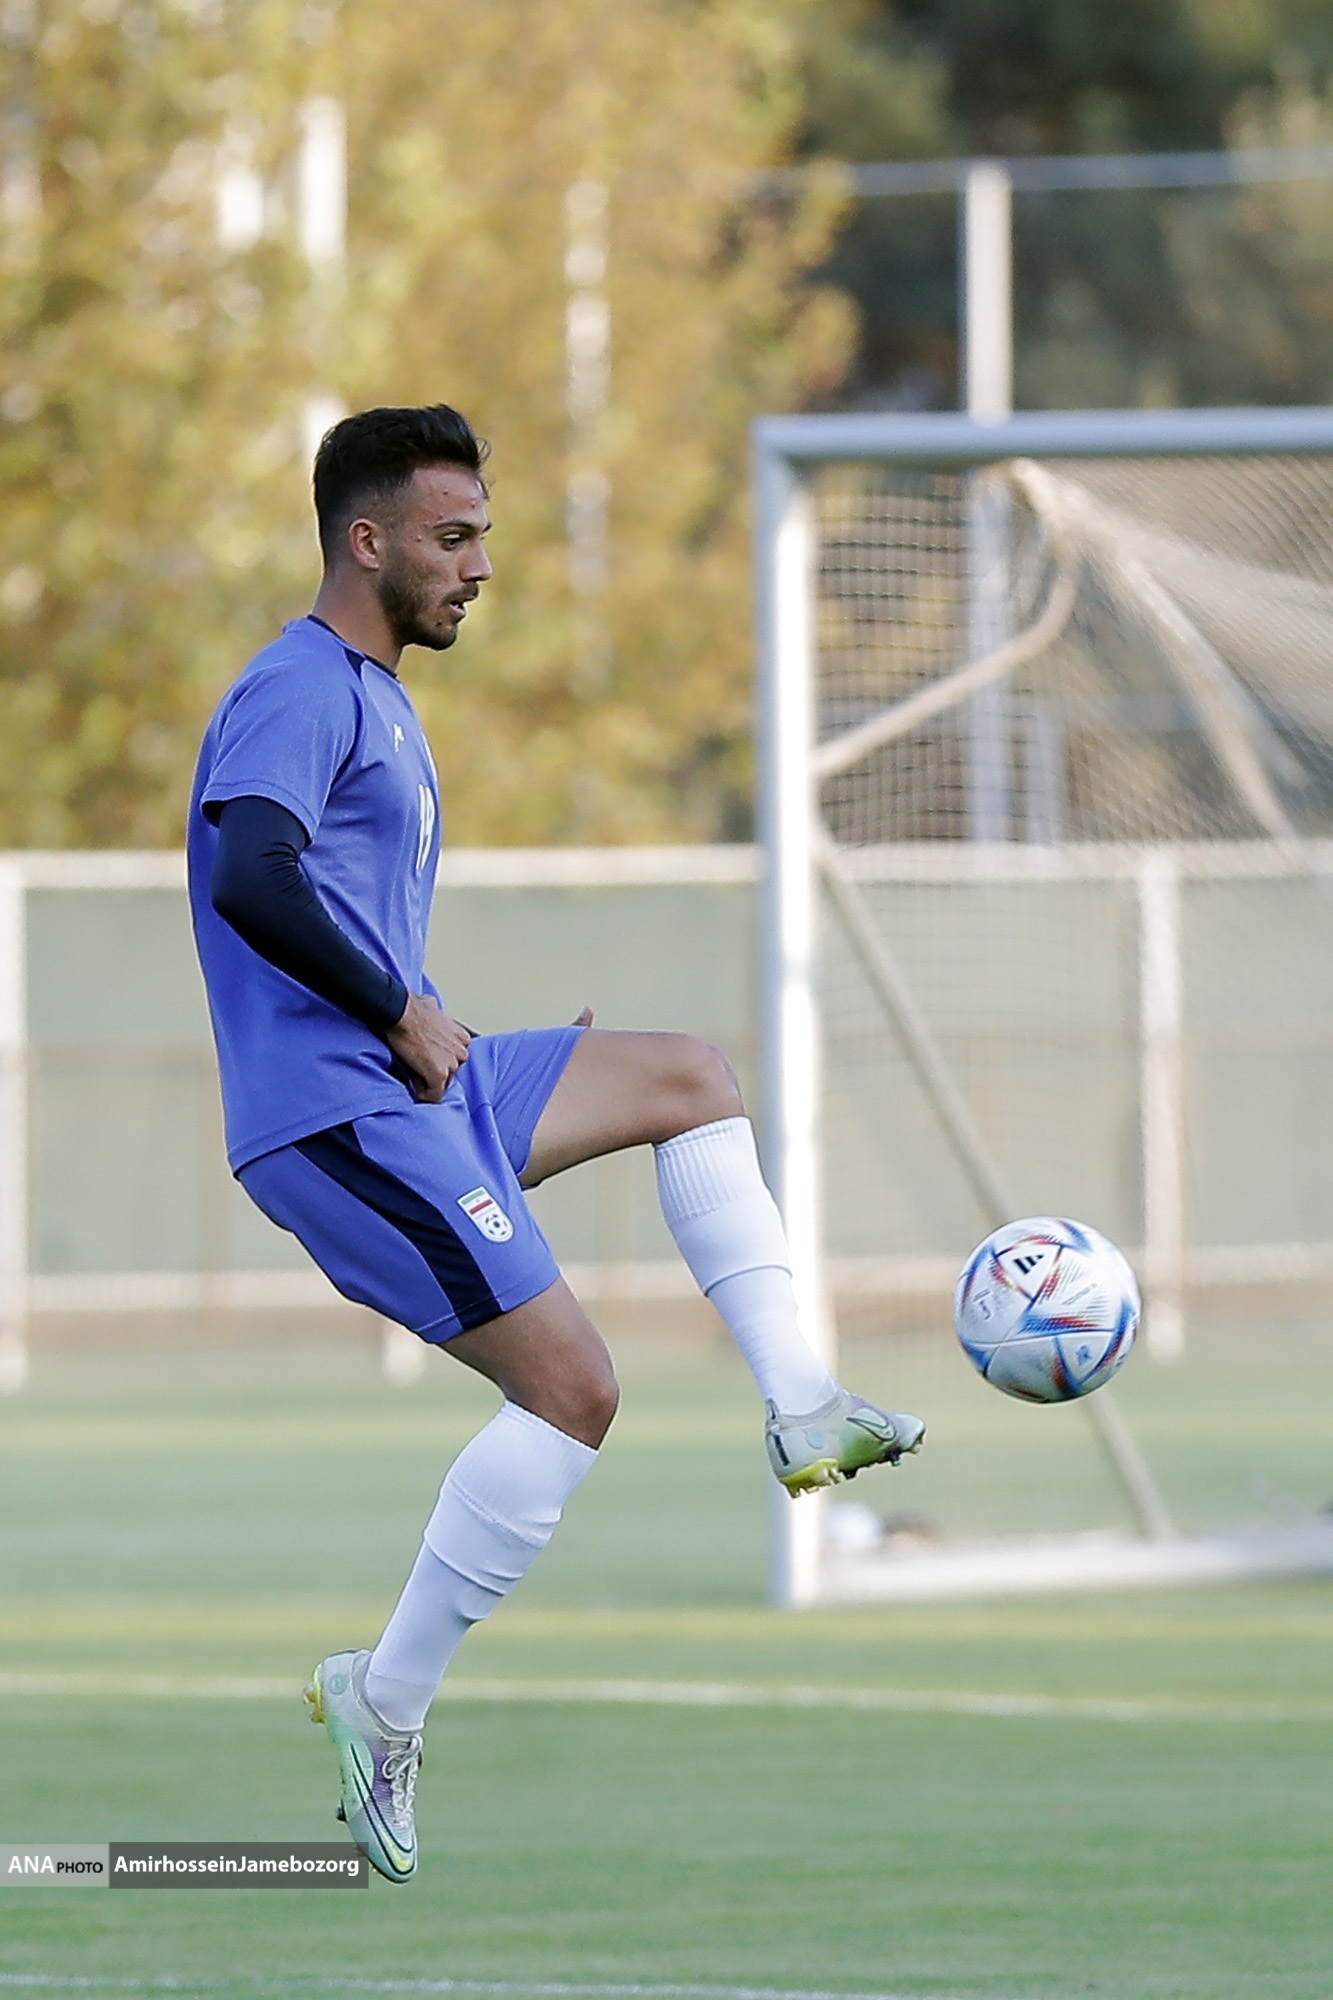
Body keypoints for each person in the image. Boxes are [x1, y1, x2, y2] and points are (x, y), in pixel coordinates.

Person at [186, 404, 925, 1884]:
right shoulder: (298, 684)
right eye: (453, 538)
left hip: (413, 1081)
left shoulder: (375, 697)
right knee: (575, 1391)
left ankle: (803, 1408)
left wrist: (434, 1024)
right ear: (367, 540)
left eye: (484, 537)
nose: (479, 566)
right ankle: (385, 1699)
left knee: (686, 1077)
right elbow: (252, 878)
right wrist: (401, 1012)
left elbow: (337, 918)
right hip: (337, 1116)